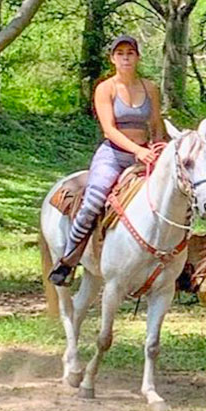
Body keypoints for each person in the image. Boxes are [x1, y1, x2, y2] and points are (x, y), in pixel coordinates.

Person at [48, 34, 164, 286]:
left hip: (145, 155)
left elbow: (156, 123)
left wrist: (156, 148)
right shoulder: (105, 88)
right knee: (94, 200)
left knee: (170, 195)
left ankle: (169, 262)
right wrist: (137, 150)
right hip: (113, 155)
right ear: (112, 58)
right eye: (120, 53)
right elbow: (109, 129)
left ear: (137, 57)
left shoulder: (150, 88)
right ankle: (68, 260)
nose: (125, 58)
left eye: (130, 53)